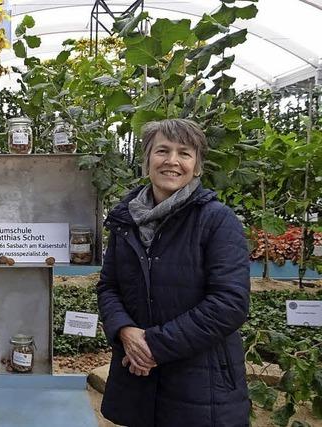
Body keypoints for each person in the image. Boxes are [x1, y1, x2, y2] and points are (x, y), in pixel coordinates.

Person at [97, 118, 250, 427]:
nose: (172, 161)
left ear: (197, 166)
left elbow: (229, 303)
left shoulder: (217, 221)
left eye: (184, 153)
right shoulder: (125, 222)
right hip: (137, 381)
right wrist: (125, 331)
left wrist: (153, 345)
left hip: (200, 385)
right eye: (162, 151)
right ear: (146, 160)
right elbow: (109, 286)